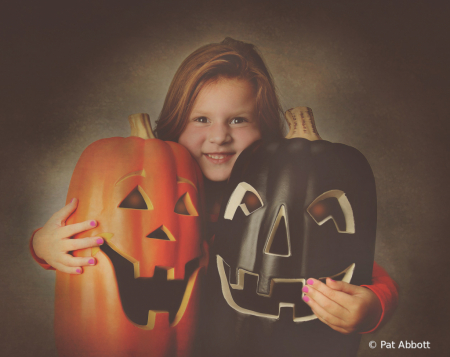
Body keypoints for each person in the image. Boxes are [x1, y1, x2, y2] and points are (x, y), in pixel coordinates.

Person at [31, 38, 397, 338]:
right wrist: (44, 246)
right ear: (175, 125)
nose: (219, 137)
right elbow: (100, 249)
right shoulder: (156, 195)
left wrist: (373, 305)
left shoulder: (287, 204)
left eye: (239, 120)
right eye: (201, 119)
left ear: (267, 132)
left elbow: (357, 269)